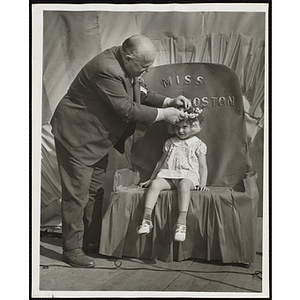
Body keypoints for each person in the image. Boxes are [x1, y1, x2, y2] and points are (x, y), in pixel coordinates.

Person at [50, 34, 191, 268]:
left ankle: (91, 242)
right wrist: (165, 116)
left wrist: (169, 101)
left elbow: (141, 94)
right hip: (76, 137)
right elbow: (126, 108)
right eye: (144, 66)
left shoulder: (127, 65)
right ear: (128, 58)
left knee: (95, 192)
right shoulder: (106, 69)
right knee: (77, 196)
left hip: (96, 140)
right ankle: (72, 249)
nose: (146, 71)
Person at [137, 107, 209, 242]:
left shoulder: (197, 144)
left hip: (189, 176)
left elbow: (203, 166)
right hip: (170, 174)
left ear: (193, 126)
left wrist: (203, 183)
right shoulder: (170, 143)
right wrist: (152, 179)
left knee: (184, 184)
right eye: (177, 127)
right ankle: (146, 219)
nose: (180, 131)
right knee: (156, 184)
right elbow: (160, 162)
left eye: (185, 127)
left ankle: (181, 223)